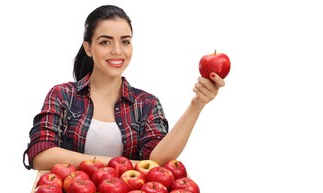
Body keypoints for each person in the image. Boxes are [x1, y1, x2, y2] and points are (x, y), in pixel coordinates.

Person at [23, 5, 225, 170]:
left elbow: (157, 161)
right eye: (105, 42)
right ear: (88, 48)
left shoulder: (147, 104)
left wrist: (197, 105)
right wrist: (119, 165)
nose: (117, 51)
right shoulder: (63, 95)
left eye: (125, 41)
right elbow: (40, 154)